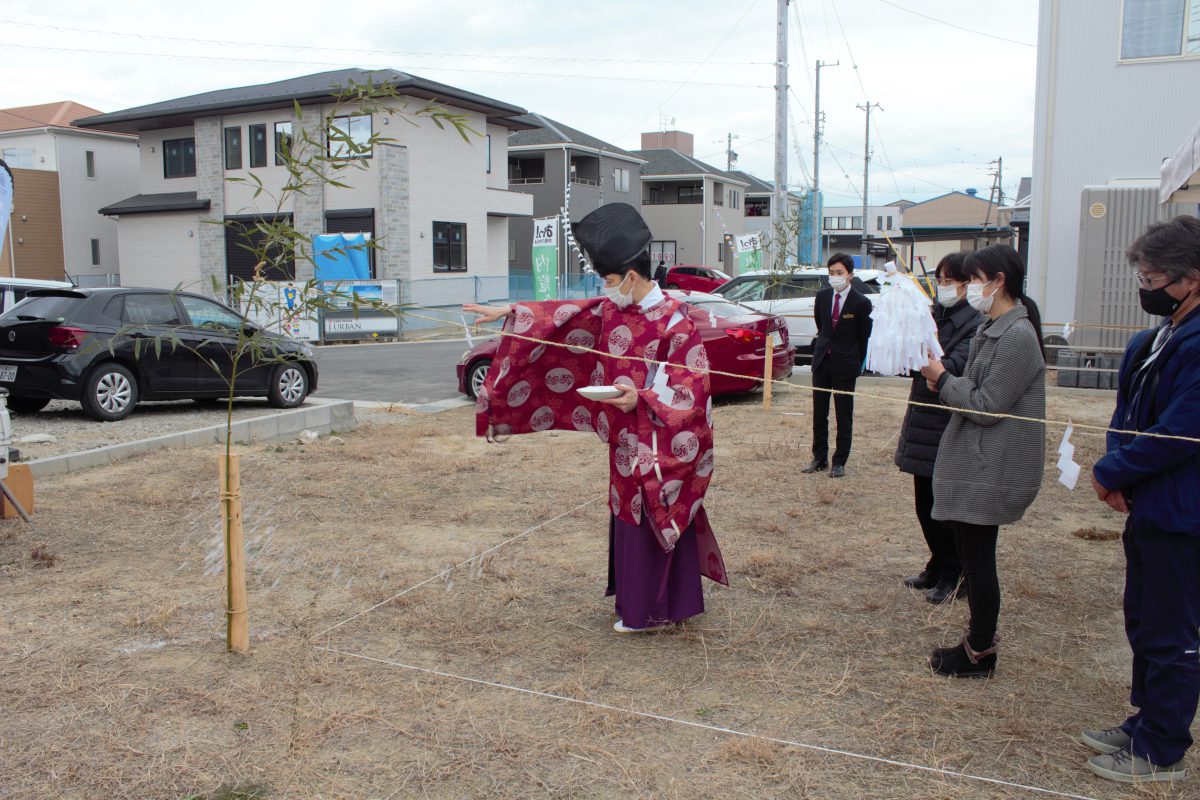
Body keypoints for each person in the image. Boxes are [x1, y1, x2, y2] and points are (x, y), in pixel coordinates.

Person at [463, 203, 727, 634]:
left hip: (658, 446)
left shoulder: (676, 324)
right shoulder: (612, 310)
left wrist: (639, 398)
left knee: (652, 518)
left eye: (608, 280)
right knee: (627, 519)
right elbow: (563, 316)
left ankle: (651, 611)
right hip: (624, 443)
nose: (604, 290)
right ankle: (633, 602)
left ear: (632, 277)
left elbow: (690, 388)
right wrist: (511, 314)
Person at [1083, 215, 1200, 784]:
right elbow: (1127, 415)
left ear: (1191, 279)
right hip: (1150, 504)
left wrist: (1114, 469)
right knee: (1143, 619)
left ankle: (1163, 748)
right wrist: (1116, 473)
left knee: (1171, 629)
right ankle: (1145, 719)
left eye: (1154, 276)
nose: (1145, 286)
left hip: (1184, 511)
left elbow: (1180, 431)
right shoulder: (1163, 335)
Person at [919, 244, 1046, 678]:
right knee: (973, 556)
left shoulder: (1017, 336)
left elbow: (987, 405)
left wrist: (943, 380)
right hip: (977, 461)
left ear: (998, 281)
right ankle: (977, 644)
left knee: (978, 561)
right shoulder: (993, 328)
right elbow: (971, 390)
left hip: (991, 466)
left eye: (974, 279)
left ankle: (979, 651)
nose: (970, 288)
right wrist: (945, 381)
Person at [896, 253, 982, 604]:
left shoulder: (975, 323)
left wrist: (925, 362)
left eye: (950, 280)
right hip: (923, 418)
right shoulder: (933, 315)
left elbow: (954, 366)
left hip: (948, 421)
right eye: (940, 279)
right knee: (924, 503)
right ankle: (937, 562)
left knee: (945, 506)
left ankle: (954, 572)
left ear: (967, 283)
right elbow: (914, 359)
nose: (943, 286)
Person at [802, 253, 873, 478]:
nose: (835, 277)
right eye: (831, 273)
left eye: (839, 273)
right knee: (819, 413)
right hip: (823, 361)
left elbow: (864, 336)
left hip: (846, 364)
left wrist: (856, 362)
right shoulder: (822, 297)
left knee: (844, 414)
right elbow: (821, 325)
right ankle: (819, 457)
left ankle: (839, 460)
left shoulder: (861, 302)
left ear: (850, 275)